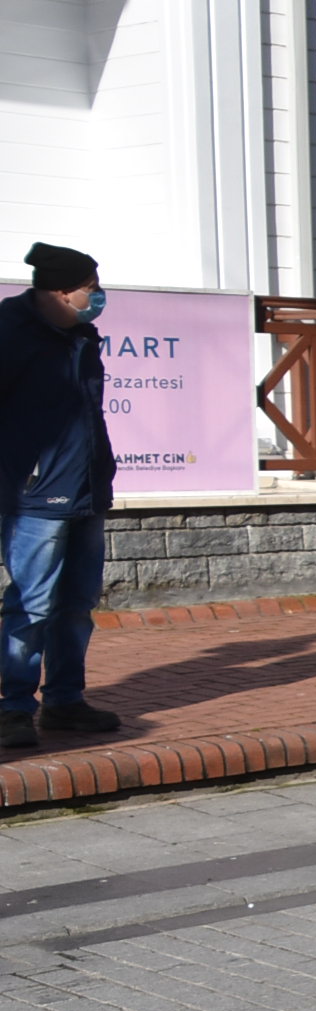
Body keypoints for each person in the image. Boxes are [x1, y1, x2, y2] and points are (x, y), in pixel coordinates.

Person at [0, 243, 125, 749]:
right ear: (59, 290)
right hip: (35, 495)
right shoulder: (10, 333)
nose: (97, 296)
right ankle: (12, 709)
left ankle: (65, 702)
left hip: (86, 489)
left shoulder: (81, 336)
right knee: (31, 602)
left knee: (77, 604)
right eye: (90, 288)